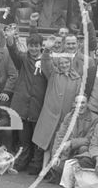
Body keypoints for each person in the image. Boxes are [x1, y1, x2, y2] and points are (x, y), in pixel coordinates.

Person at [32, 40, 82, 173]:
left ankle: (54, 171)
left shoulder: (77, 78)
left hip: (65, 117)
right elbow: (45, 63)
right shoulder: (53, 75)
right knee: (47, 144)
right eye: (61, 63)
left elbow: (77, 98)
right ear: (58, 65)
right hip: (50, 115)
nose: (64, 65)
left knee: (58, 144)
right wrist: (47, 50)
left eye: (66, 63)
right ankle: (43, 169)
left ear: (70, 64)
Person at [6, 31, 47, 173]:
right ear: (28, 46)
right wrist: (10, 38)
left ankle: (35, 165)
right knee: (23, 138)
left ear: (41, 47)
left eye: (37, 46)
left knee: (36, 139)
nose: (34, 49)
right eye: (31, 46)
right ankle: (20, 164)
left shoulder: (47, 61)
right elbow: (13, 51)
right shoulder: (23, 59)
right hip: (22, 106)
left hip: (38, 106)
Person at [48, 95, 98, 184]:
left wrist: (71, 142)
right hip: (69, 153)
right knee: (55, 165)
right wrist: (55, 156)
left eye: (83, 102)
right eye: (77, 103)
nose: (80, 105)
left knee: (83, 148)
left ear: (87, 104)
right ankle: (67, 174)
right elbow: (60, 136)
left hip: (85, 153)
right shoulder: (69, 116)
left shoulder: (95, 119)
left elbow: (90, 139)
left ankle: (78, 177)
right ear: (73, 104)